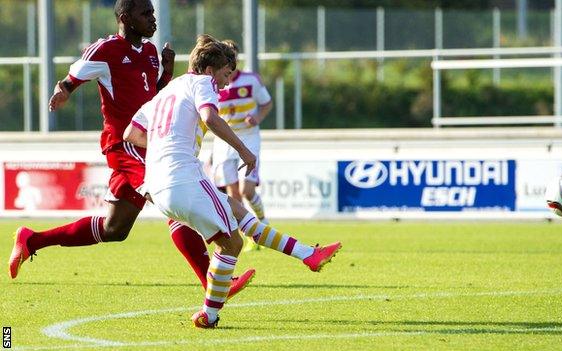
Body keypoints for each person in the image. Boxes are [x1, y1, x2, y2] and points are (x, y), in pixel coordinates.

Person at [7, 0, 254, 299]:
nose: (153, 19)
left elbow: (154, 99)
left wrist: (165, 73)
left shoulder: (150, 53)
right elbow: (75, 75)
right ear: (126, 18)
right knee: (170, 194)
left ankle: (31, 240)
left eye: (153, 13)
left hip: (146, 141)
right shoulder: (106, 49)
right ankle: (214, 282)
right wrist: (64, 89)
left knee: (115, 229)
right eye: (146, 14)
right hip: (126, 143)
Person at [123, 37, 342, 328]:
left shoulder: (164, 94)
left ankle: (308, 254)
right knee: (232, 243)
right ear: (211, 69)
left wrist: (166, 147)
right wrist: (243, 149)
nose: (226, 84)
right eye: (226, 75)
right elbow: (210, 117)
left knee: (237, 211)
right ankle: (209, 314)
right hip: (183, 178)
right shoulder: (201, 82)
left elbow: (131, 134)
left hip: (157, 184)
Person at [211, 40, 273, 251]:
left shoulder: (251, 80)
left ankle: (262, 222)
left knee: (247, 190)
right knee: (233, 195)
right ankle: (247, 238)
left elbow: (266, 103)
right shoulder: (213, 82)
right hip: (224, 140)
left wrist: (257, 117)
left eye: (232, 57)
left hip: (248, 138)